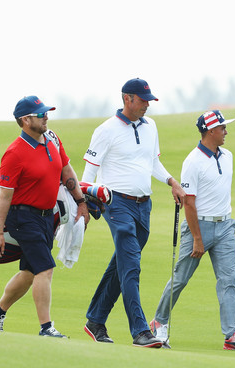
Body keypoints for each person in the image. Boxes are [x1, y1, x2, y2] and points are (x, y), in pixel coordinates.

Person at [81, 78, 186, 348]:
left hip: (144, 206)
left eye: (149, 100)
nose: (147, 105)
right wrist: (83, 202)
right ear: (127, 98)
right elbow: (89, 173)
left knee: (121, 265)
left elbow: (152, 162)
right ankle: (140, 331)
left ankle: (95, 319)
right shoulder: (105, 130)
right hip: (116, 205)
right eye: (143, 100)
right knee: (131, 267)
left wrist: (172, 182)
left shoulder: (151, 127)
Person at [149, 110, 235, 351]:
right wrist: (197, 238)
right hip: (199, 227)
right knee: (180, 278)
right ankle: (159, 322)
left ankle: (233, 334)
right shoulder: (193, 161)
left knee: (229, 280)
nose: (226, 131)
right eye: (222, 128)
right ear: (210, 131)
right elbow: (189, 203)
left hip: (225, 226)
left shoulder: (227, 156)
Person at [0, 96, 90, 337]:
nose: (46, 116)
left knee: (31, 272)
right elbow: (4, 196)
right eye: (41, 113)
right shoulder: (14, 153)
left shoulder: (51, 139)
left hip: (46, 217)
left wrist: (81, 201)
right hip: (23, 217)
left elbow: (66, 171)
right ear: (25, 120)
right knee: (45, 269)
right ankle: (46, 327)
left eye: (46, 112)